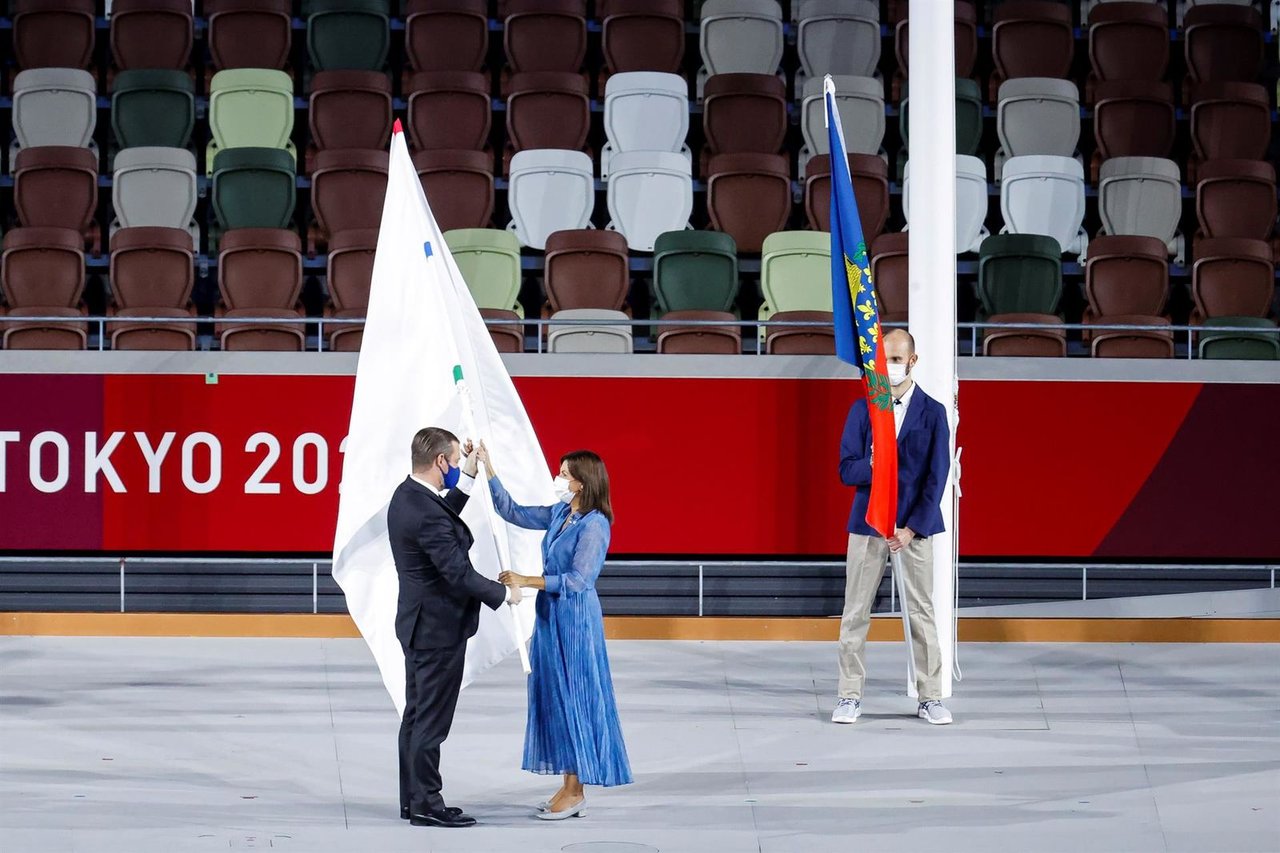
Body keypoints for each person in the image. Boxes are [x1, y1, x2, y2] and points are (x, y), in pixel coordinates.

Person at [474, 442, 633, 820]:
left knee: (574, 696)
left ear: (582, 482)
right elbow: (512, 511)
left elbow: (579, 580)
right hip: (549, 615)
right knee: (556, 697)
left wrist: (526, 580)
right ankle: (567, 784)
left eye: (564, 474)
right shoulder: (562, 512)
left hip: (575, 620)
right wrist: (488, 469)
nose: (557, 479)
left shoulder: (595, 524)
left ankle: (577, 790)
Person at [388, 426, 522, 828]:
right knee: (431, 722)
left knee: (416, 717)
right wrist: (504, 594)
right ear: (440, 461)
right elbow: (458, 573)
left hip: (418, 625)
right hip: (438, 630)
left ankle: (414, 799)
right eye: (454, 460)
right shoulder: (426, 512)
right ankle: (428, 804)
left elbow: (442, 518)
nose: (456, 465)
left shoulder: (407, 496)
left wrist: (467, 475)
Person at [834, 329, 953, 726]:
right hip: (868, 525)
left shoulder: (933, 412)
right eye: (884, 360)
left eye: (897, 359)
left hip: (913, 530)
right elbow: (846, 469)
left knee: (921, 613)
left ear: (913, 361)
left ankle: (930, 697)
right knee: (855, 612)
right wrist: (873, 464)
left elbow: (936, 477)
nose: (890, 366)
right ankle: (849, 696)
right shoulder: (863, 409)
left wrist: (912, 528)